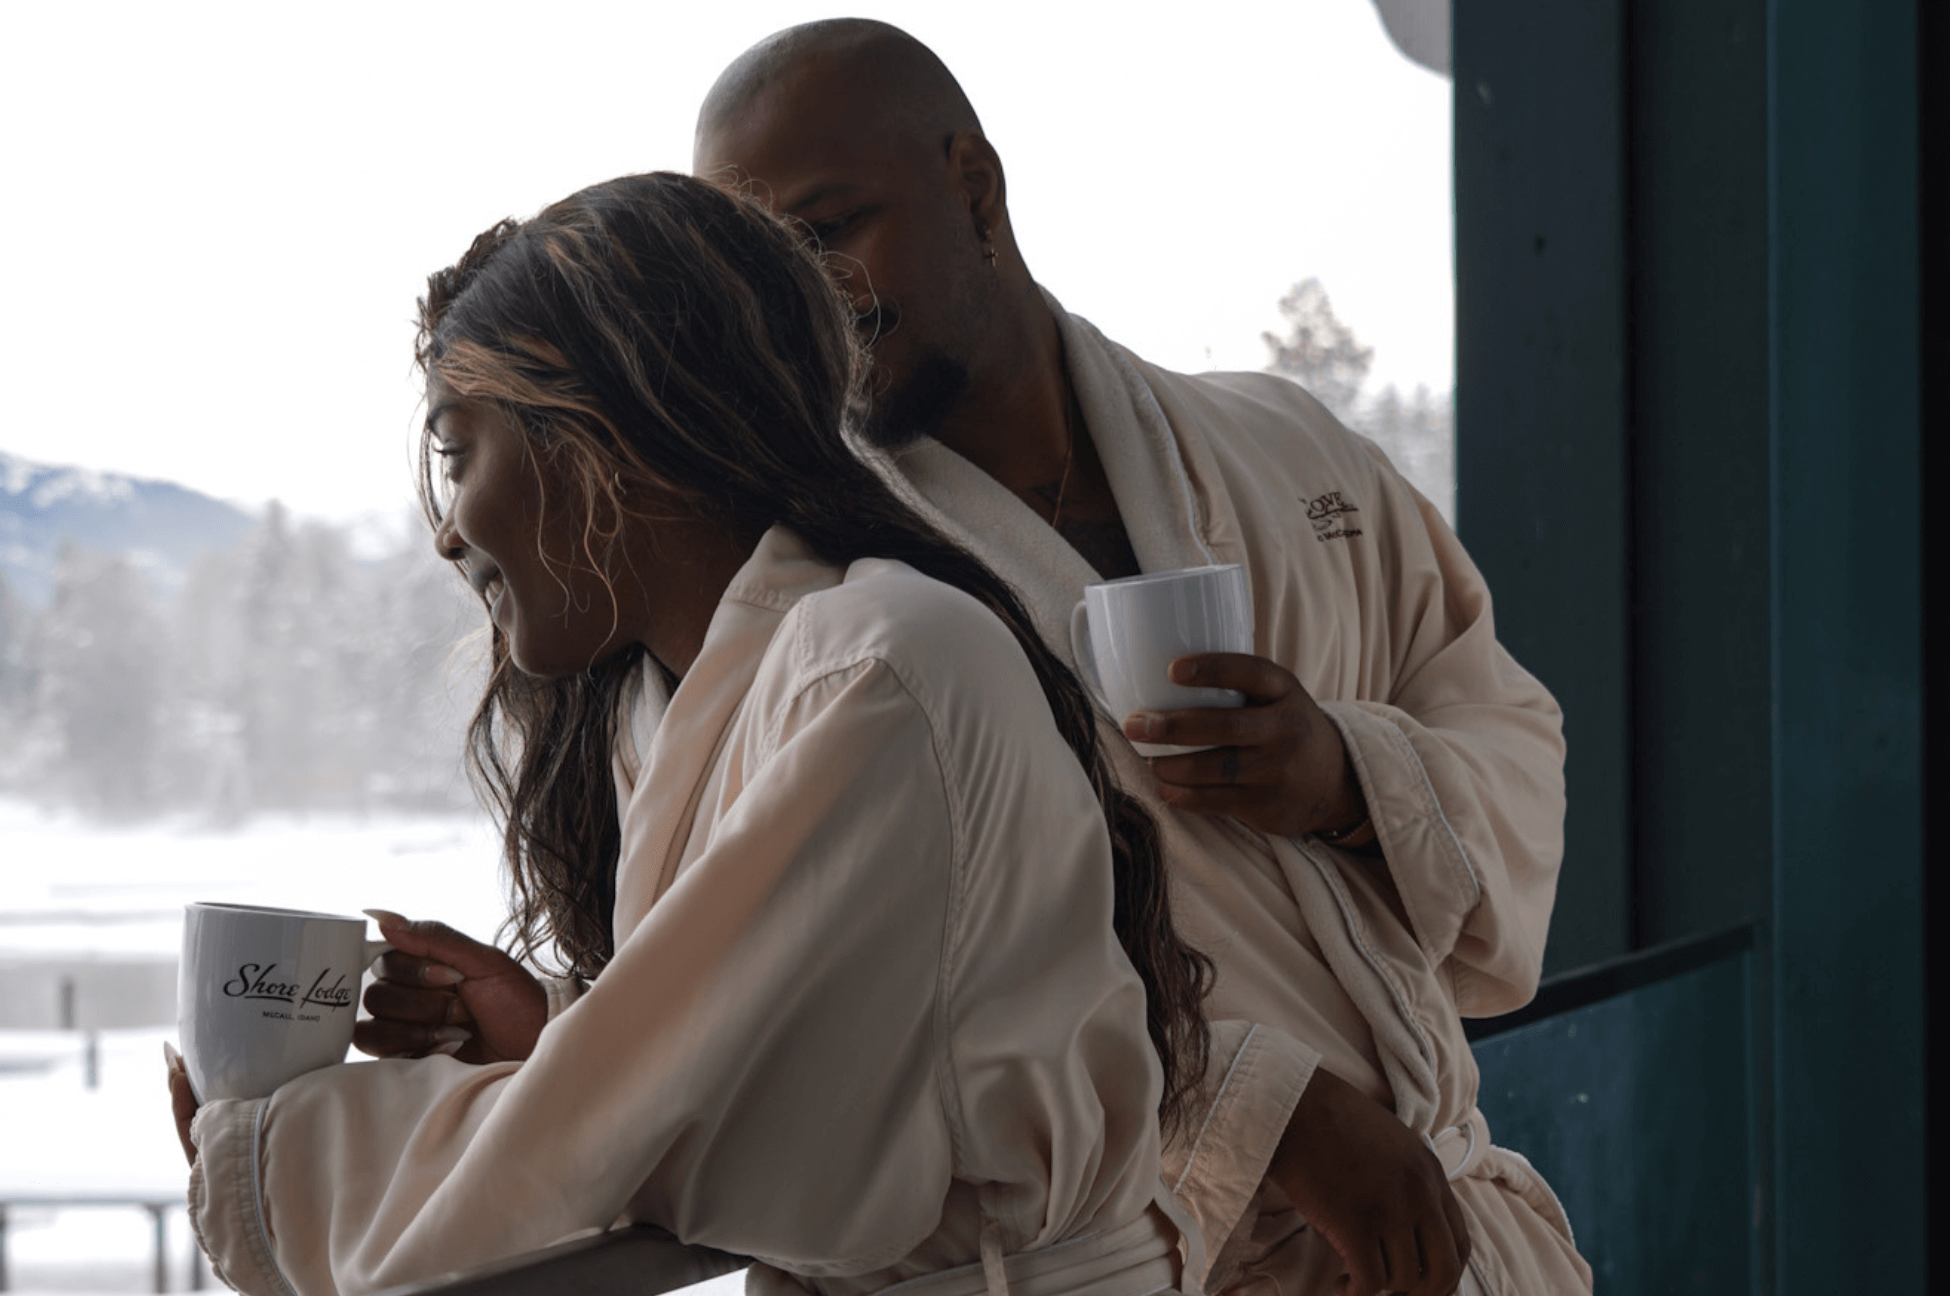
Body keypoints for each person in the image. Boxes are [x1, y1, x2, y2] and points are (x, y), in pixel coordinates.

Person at [166, 172, 1220, 1296]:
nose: (446, 534)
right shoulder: (701, 696)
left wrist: (270, 1160)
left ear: (615, 431)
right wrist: (563, 1036)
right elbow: (820, 1096)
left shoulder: (879, 663)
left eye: (459, 451)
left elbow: (702, 1147)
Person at [691, 20, 1590, 1296]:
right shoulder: (806, 594)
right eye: (762, 272)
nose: (808, 300)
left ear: (975, 186)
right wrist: (1252, 1106)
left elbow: (1505, 726)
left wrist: (1345, 777)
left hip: (1443, 1236)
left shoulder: (1285, 453)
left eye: (833, 229)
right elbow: (826, 998)